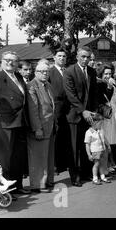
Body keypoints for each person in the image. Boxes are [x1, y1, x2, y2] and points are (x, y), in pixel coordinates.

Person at [0, 51, 31, 196]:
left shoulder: (19, 76)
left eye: (13, 61)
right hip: (5, 123)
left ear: (17, 63)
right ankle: (6, 189)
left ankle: (17, 185)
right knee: (5, 158)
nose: (10, 62)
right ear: (1, 61)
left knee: (18, 156)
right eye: (7, 60)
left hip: (20, 121)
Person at [64, 46, 99, 187]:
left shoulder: (91, 71)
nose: (85, 59)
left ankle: (86, 172)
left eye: (88, 57)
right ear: (77, 56)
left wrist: (94, 111)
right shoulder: (69, 71)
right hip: (75, 116)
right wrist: (82, 111)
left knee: (87, 145)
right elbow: (70, 94)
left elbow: (94, 93)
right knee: (75, 147)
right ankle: (75, 175)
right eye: (83, 56)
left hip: (89, 115)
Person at [27, 59, 56, 193]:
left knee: (48, 156)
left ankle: (48, 180)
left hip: (50, 126)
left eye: (47, 71)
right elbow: (33, 110)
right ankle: (38, 184)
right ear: (35, 72)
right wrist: (37, 128)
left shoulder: (48, 85)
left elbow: (51, 106)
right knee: (38, 157)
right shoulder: (32, 86)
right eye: (42, 71)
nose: (45, 74)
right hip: (39, 127)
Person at [97, 64, 116, 172]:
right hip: (106, 113)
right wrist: (109, 86)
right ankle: (106, 164)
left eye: (109, 74)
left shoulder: (112, 84)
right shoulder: (100, 84)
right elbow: (104, 99)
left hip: (115, 111)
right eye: (105, 74)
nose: (108, 76)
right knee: (106, 139)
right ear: (101, 74)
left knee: (113, 139)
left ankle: (112, 162)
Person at [48, 48, 69, 176]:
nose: (62, 58)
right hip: (56, 108)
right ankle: (55, 165)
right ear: (54, 58)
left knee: (65, 136)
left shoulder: (68, 71)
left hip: (68, 108)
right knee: (56, 136)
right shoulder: (50, 72)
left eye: (64, 56)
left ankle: (64, 163)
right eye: (59, 56)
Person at [84, 113, 111, 185]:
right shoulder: (89, 132)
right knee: (96, 164)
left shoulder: (101, 130)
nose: (101, 125)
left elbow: (104, 138)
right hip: (95, 151)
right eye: (100, 123)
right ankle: (95, 178)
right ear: (94, 123)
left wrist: (108, 145)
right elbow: (87, 144)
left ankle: (102, 176)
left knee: (101, 164)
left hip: (102, 150)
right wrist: (89, 154)